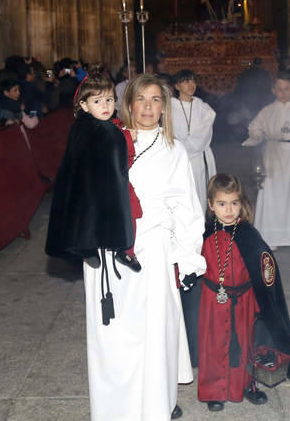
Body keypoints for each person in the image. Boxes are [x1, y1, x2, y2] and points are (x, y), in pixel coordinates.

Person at [86, 74, 205, 420]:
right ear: (128, 104)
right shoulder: (107, 141)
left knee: (154, 330)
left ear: (165, 107)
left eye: (156, 100)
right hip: (110, 248)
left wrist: (187, 255)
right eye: (141, 99)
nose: (148, 107)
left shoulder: (174, 150)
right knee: (116, 332)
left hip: (153, 248)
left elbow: (187, 207)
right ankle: (116, 407)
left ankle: (156, 402)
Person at [198, 174, 290, 412]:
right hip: (213, 301)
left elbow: (265, 270)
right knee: (214, 346)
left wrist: (262, 300)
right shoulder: (203, 234)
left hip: (244, 300)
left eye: (234, 203)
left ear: (241, 203)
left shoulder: (248, 235)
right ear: (211, 205)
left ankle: (247, 385)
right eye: (222, 204)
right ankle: (214, 390)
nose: (228, 210)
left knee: (246, 343)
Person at [45, 71, 142, 271]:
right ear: (84, 105)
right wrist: (126, 138)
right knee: (97, 222)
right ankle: (97, 247)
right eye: (97, 101)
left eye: (109, 99)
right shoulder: (96, 129)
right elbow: (115, 154)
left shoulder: (93, 125)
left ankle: (102, 247)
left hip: (92, 192)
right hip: (92, 194)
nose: (105, 106)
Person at [243, 72, 290, 249]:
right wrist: (258, 134)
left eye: (286, 89)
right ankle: (272, 236)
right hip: (273, 154)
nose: (283, 93)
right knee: (273, 193)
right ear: (274, 90)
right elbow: (255, 127)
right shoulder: (267, 111)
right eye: (279, 89)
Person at [170, 70, 217, 208]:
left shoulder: (204, 108)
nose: (191, 84)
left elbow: (204, 135)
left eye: (193, 81)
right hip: (179, 158)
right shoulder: (169, 108)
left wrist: (188, 145)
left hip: (199, 158)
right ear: (177, 86)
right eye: (186, 81)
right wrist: (183, 146)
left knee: (200, 197)